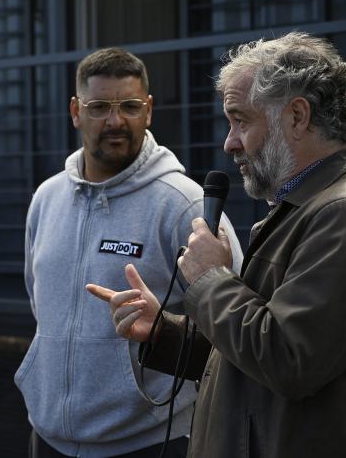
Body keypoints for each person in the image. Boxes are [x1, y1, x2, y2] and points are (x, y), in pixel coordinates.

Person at [88, 32, 346, 457]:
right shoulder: (310, 208)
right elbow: (249, 362)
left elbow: (286, 360)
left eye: (240, 120)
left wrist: (210, 279)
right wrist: (162, 332)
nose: (229, 142)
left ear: (297, 116)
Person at [15, 47, 244, 457]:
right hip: (48, 438)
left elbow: (234, 328)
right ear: (75, 111)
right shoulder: (46, 198)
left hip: (151, 441)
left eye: (130, 106)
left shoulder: (186, 206)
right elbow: (39, 303)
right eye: (99, 106)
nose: (115, 121)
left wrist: (161, 327)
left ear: (149, 110)